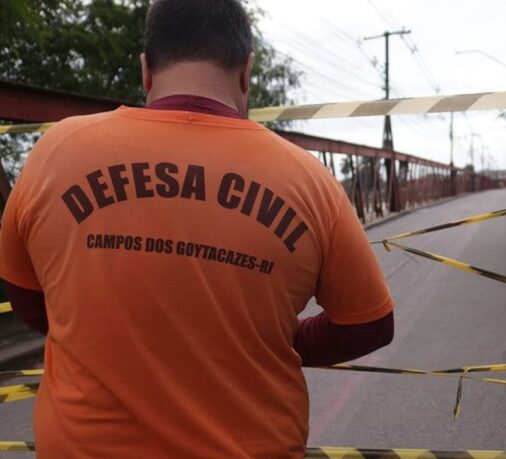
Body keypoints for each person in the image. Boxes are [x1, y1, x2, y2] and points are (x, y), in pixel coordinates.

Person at [0, 0, 394, 457]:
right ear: (246, 72)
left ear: (146, 70)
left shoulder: (56, 153)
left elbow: (25, 294)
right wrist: (277, 339)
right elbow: (369, 324)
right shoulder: (308, 181)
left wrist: (94, 329)